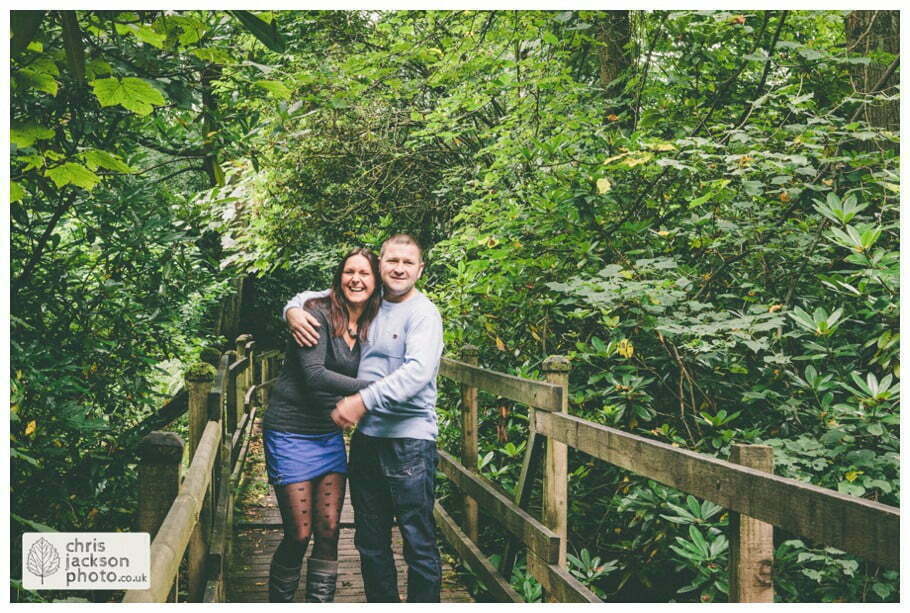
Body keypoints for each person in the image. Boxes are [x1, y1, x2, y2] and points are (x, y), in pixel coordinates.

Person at [283, 233, 444, 602]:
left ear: (420, 269)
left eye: (407, 262)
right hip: (368, 440)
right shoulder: (370, 304)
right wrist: (292, 309)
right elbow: (319, 299)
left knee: (417, 541)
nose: (399, 269)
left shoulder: (423, 314)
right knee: (370, 541)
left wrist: (362, 401)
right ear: (380, 266)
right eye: (392, 261)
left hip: (410, 441)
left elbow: (418, 373)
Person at [261, 247, 382, 603]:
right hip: (289, 431)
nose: (356, 279)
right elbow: (314, 376)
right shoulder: (315, 313)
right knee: (299, 533)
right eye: (349, 272)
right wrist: (380, 388)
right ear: (339, 276)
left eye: (364, 273)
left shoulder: (375, 321)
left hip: (327, 435)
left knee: (329, 530)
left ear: (376, 282)